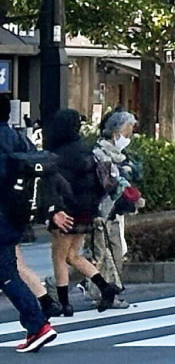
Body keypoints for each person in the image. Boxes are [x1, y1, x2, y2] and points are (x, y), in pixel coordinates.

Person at [41, 109, 120, 315]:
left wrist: (54, 210)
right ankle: (105, 286)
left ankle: (65, 304)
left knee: (59, 256)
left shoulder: (58, 154)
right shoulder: (85, 150)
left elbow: (57, 185)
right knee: (73, 255)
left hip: (66, 211)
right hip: (86, 210)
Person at [0, 121, 53, 352]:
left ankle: (37, 324)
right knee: (7, 270)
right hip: (16, 214)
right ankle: (36, 324)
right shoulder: (18, 137)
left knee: (7, 274)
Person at [85, 112, 141, 308]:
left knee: (114, 251)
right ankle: (106, 292)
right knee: (107, 252)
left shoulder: (118, 156)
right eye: (126, 132)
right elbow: (109, 184)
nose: (128, 137)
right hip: (103, 211)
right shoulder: (100, 154)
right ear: (115, 133)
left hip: (113, 211)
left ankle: (100, 290)